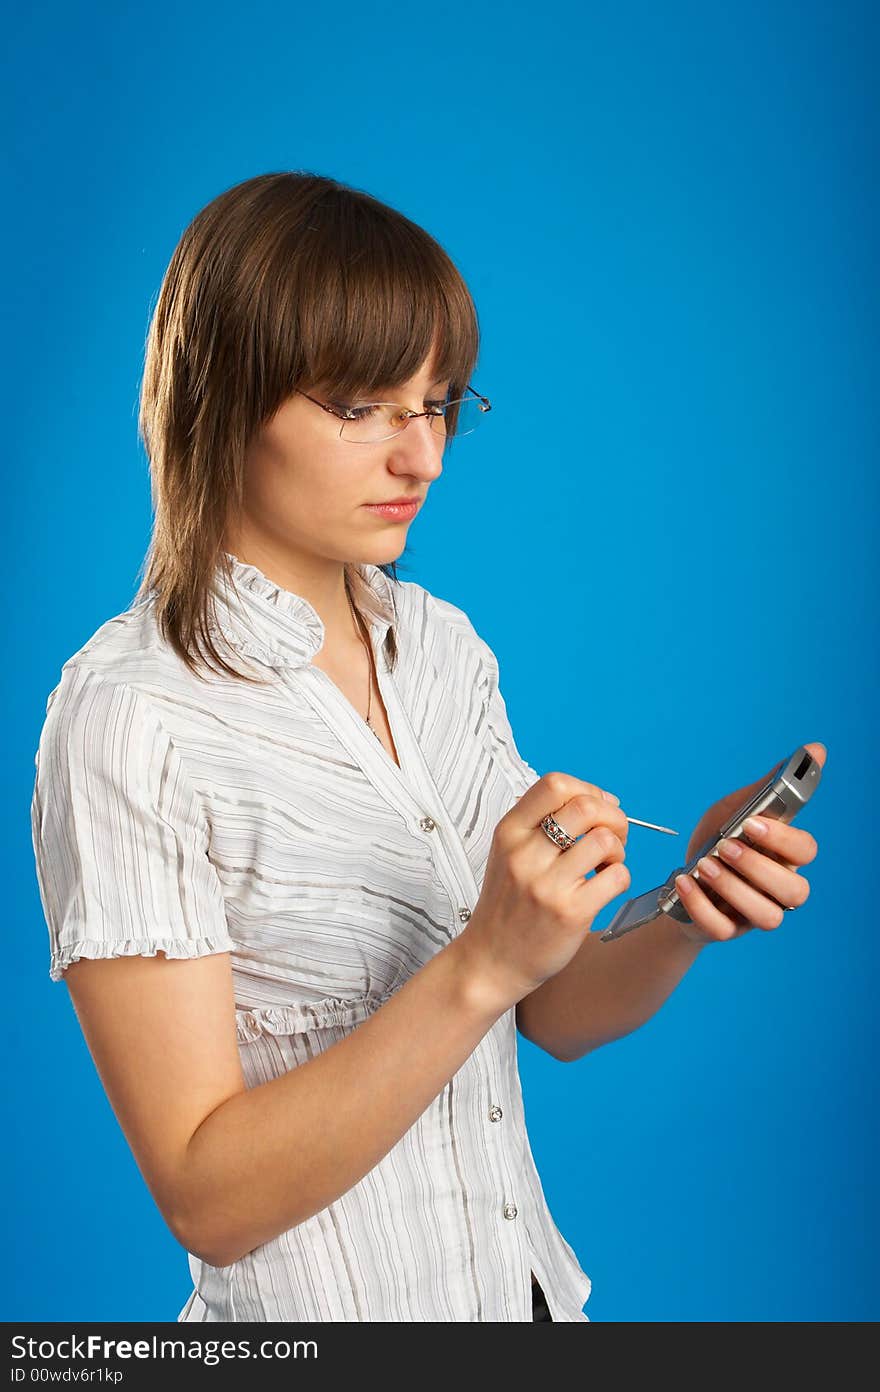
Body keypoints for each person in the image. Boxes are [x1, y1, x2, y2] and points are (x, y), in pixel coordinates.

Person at [30, 171, 823, 1324]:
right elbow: (207, 1198)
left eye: (439, 402)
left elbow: (549, 1014)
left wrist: (685, 904)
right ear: (221, 397)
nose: (424, 459)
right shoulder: (128, 719)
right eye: (361, 408)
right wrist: (482, 963)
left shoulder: (442, 650)